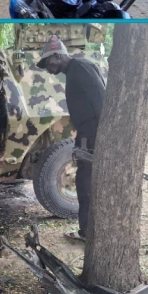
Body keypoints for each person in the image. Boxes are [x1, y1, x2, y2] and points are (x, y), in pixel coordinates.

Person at [36, 34, 106, 239]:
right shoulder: (75, 70)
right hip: (87, 135)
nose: (48, 68)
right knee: (85, 185)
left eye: (48, 62)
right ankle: (88, 231)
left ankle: (88, 233)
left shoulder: (80, 69)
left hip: (93, 136)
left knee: (85, 186)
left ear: (57, 56)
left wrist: (101, 136)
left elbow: (100, 100)